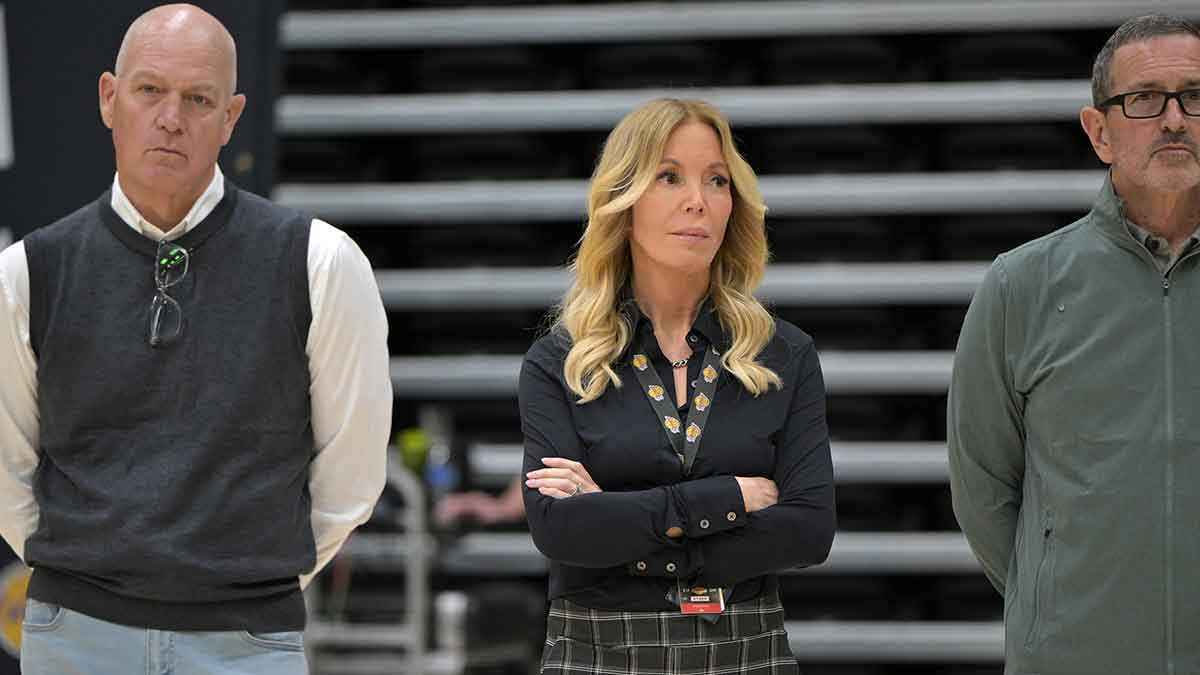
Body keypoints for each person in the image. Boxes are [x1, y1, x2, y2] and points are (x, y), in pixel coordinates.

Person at [0, 4, 392, 673]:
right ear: (108, 98)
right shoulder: (27, 273)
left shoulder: (319, 262)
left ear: (231, 117)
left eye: (198, 98)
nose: (171, 118)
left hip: (248, 642)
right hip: (75, 637)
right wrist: (92, 570)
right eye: (149, 90)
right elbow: (6, 468)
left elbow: (352, 476)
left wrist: (249, 579)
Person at [519, 98, 836, 674]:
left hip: (748, 648)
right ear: (625, 200)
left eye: (716, 180)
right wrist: (730, 499)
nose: (698, 199)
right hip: (598, 652)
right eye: (669, 177)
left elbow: (809, 531)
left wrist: (620, 522)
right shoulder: (561, 361)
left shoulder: (784, 354)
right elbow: (561, 530)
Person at [948, 14, 1200, 675]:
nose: (1174, 118)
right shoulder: (1020, 286)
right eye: (1145, 99)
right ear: (1100, 132)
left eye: (1194, 96)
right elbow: (981, 489)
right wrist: (1059, 602)